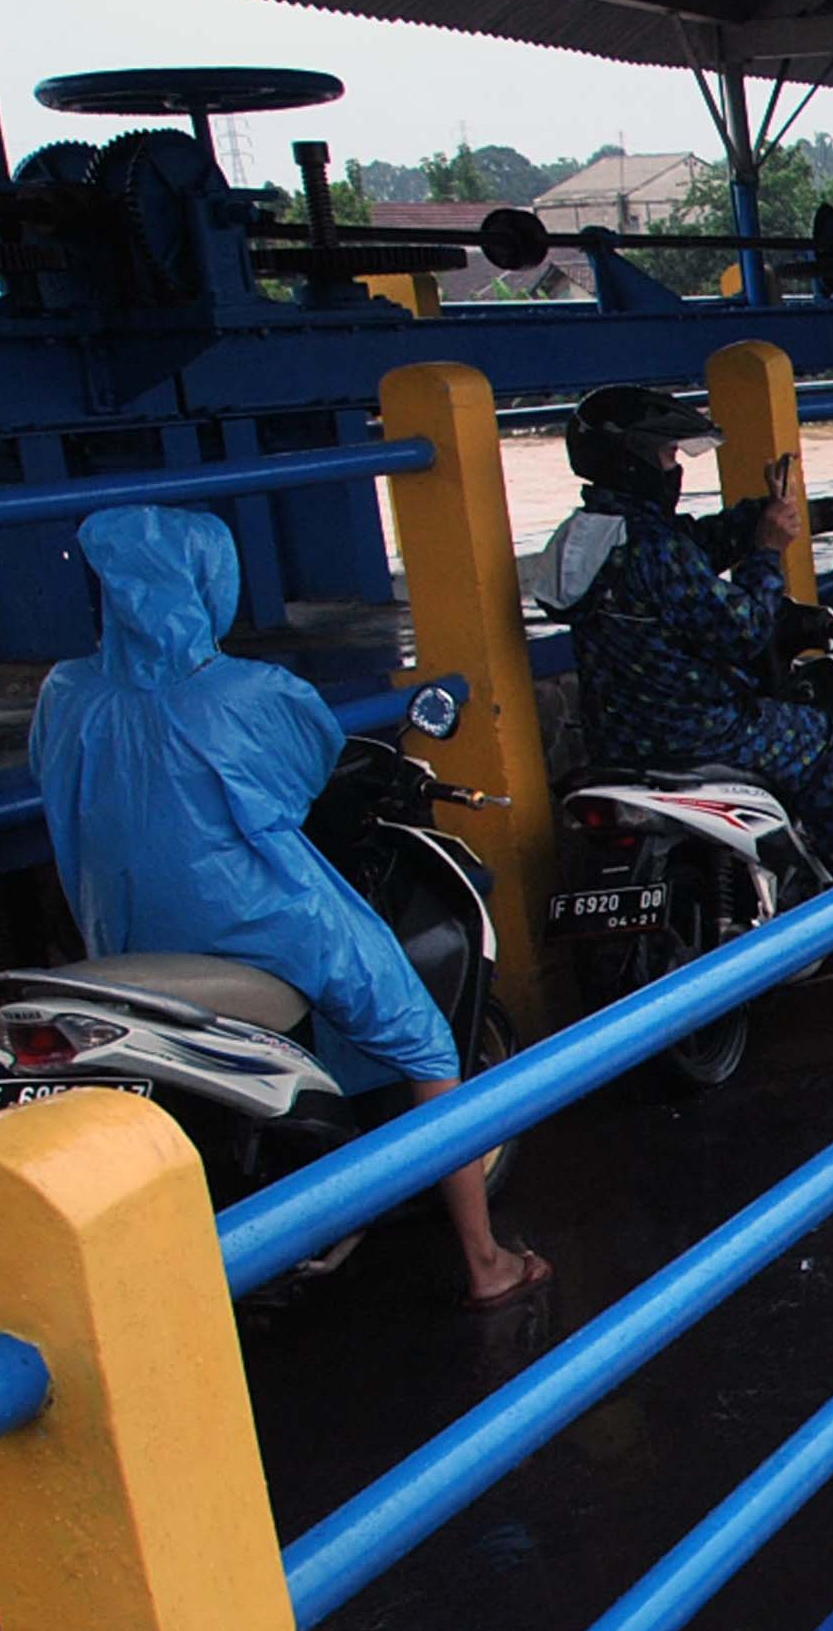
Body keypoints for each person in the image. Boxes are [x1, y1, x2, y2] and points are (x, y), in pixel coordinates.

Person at [33, 506, 544, 1307]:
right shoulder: (248, 693)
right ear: (208, 585)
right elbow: (313, 778)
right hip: (256, 920)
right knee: (425, 1041)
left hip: (120, 935)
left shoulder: (66, 693)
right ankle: (484, 1262)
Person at [533, 384, 833, 880]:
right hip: (699, 733)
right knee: (819, 737)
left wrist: (757, 516)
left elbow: (691, 546)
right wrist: (767, 553)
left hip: (618, 739)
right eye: (668, 455)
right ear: (634, 461)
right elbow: (748, 630)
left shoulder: (586, 538)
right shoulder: (656, 550)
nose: (676, 467)